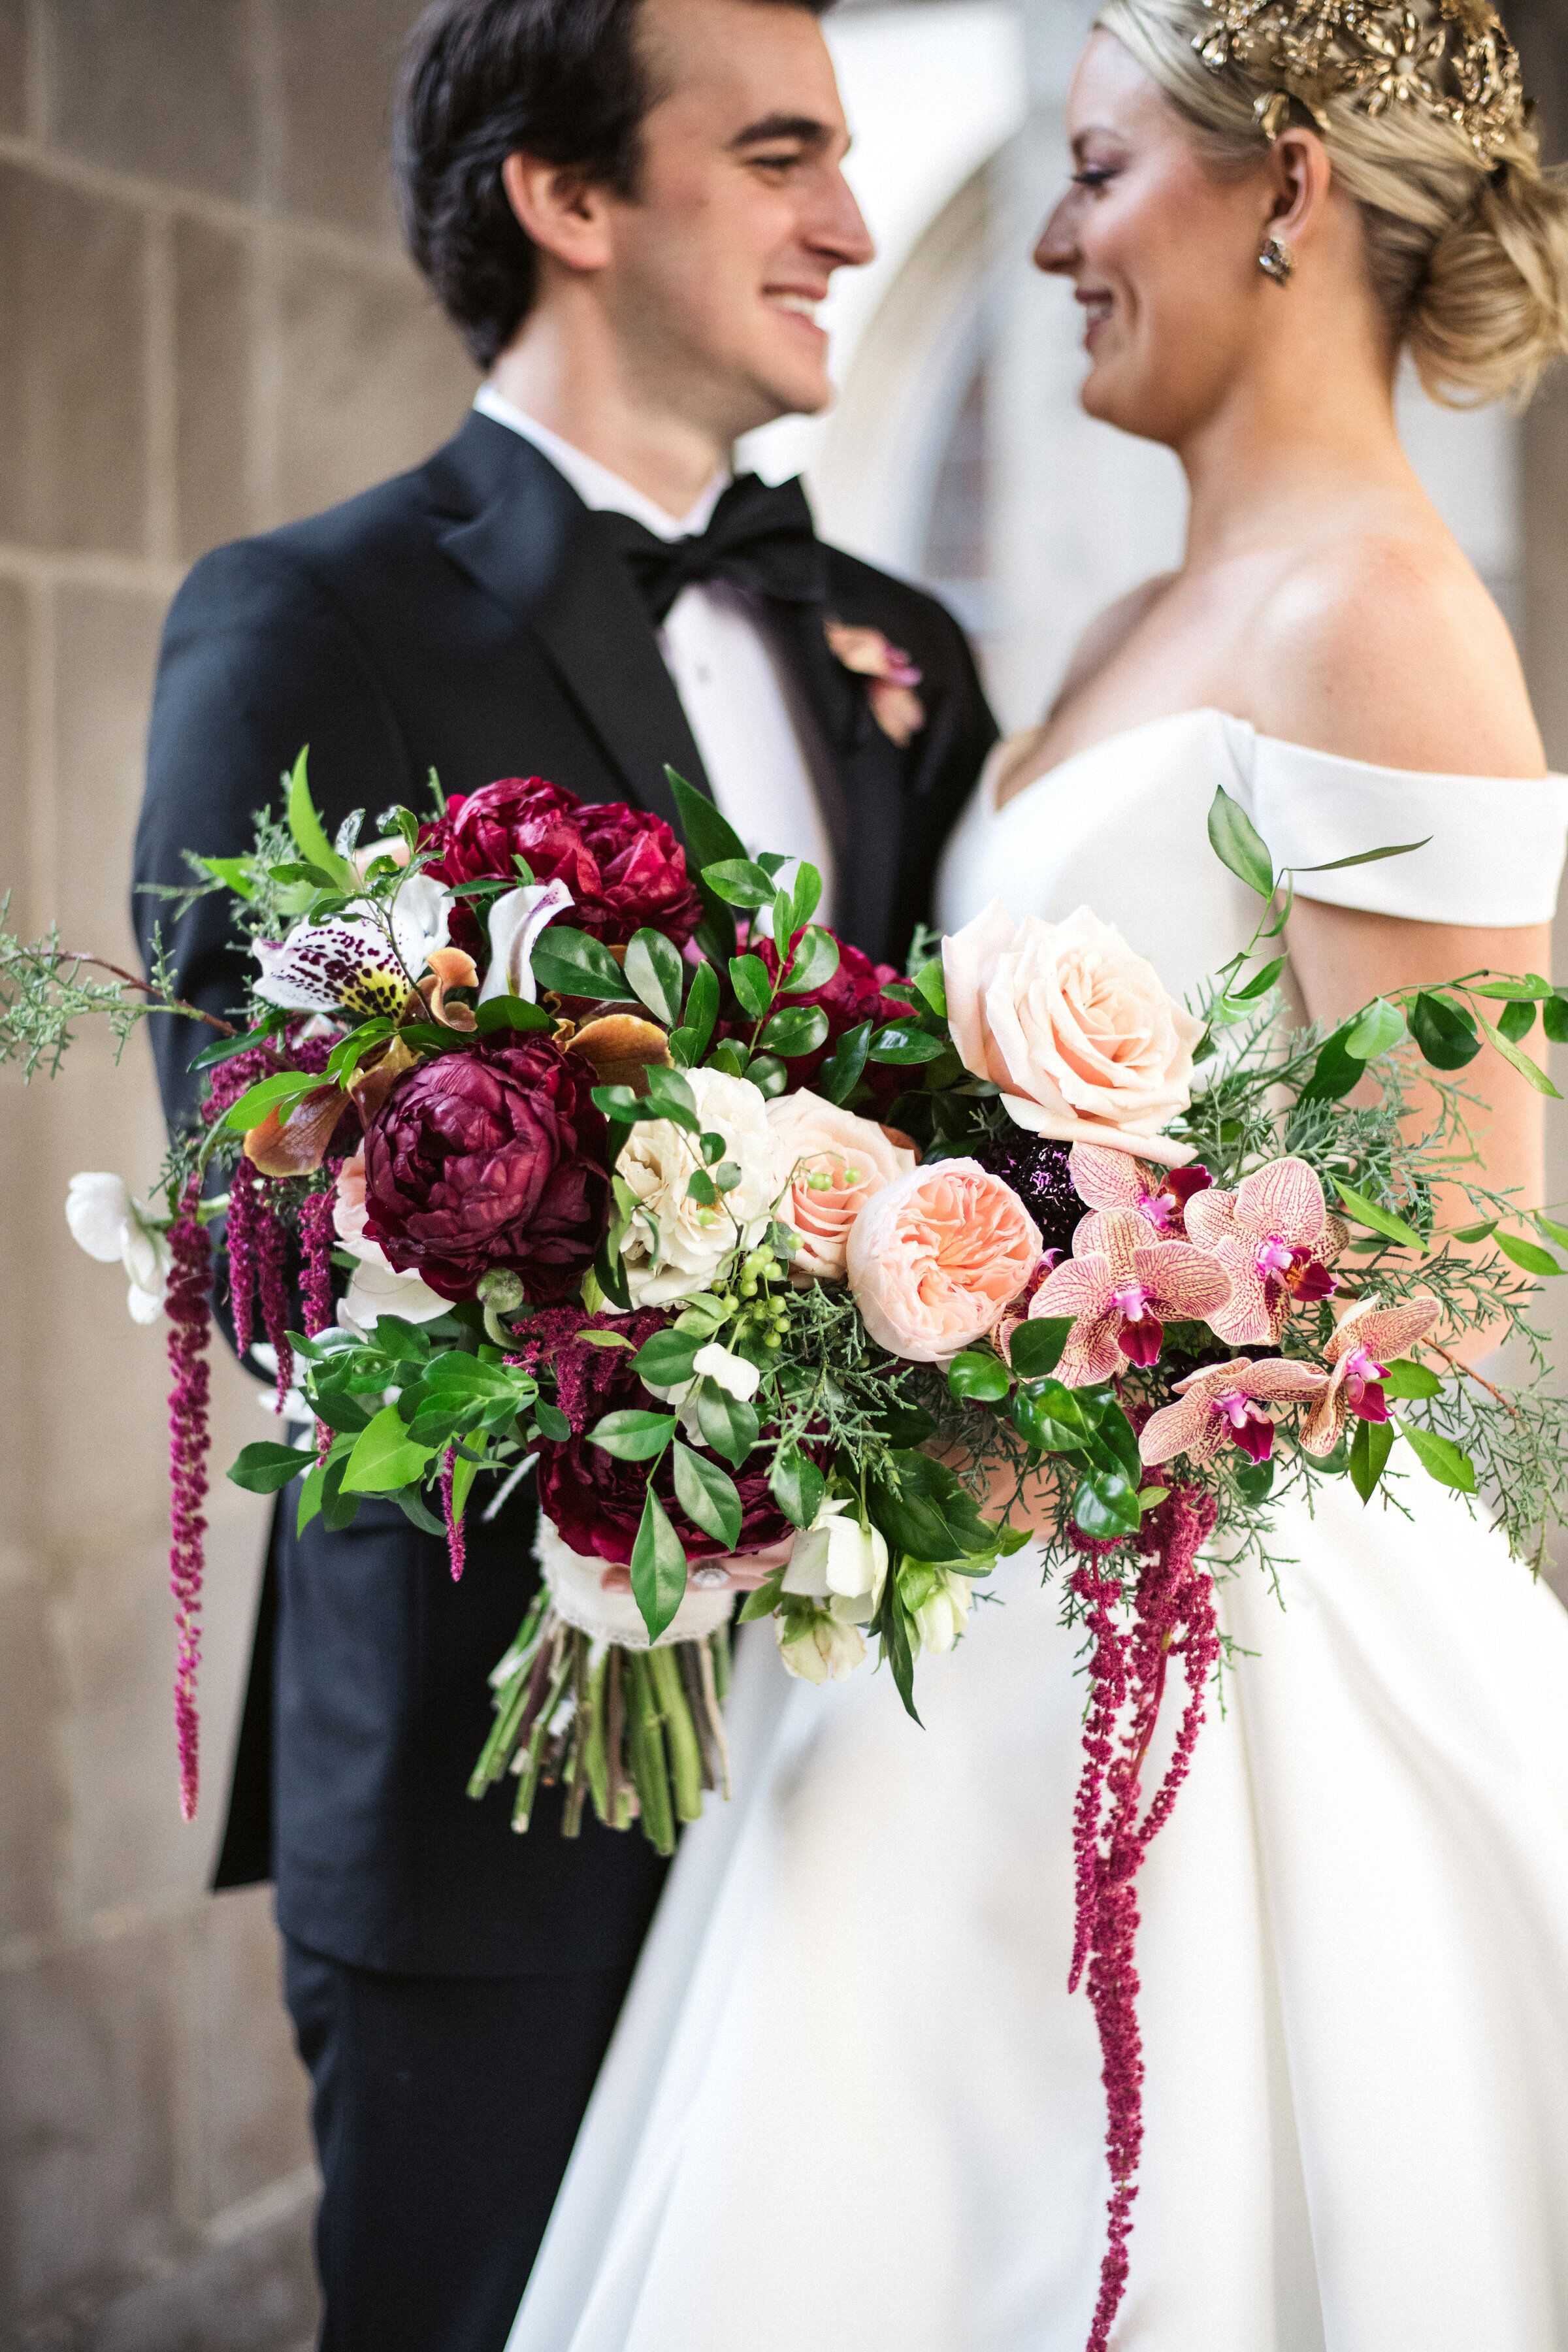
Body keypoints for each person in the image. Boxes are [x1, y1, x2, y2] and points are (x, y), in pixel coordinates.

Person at [504, 5, 1568, 2347]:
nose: (1054, 237)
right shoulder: (1101, 638)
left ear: (1287, 185)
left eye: (1095, 170)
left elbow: (1466, 1277)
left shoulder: (1381, 622)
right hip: (971, 1583)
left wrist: (1053, 1378)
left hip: (1212, 1649)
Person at [131, 0, 996, 2342]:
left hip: (850, 1768)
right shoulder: (311, 617)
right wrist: (662, 1274)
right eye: (785, 154)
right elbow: (259, 1229)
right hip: (484, 1793)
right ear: (571, 197)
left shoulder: (895, 656)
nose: (855, 224)